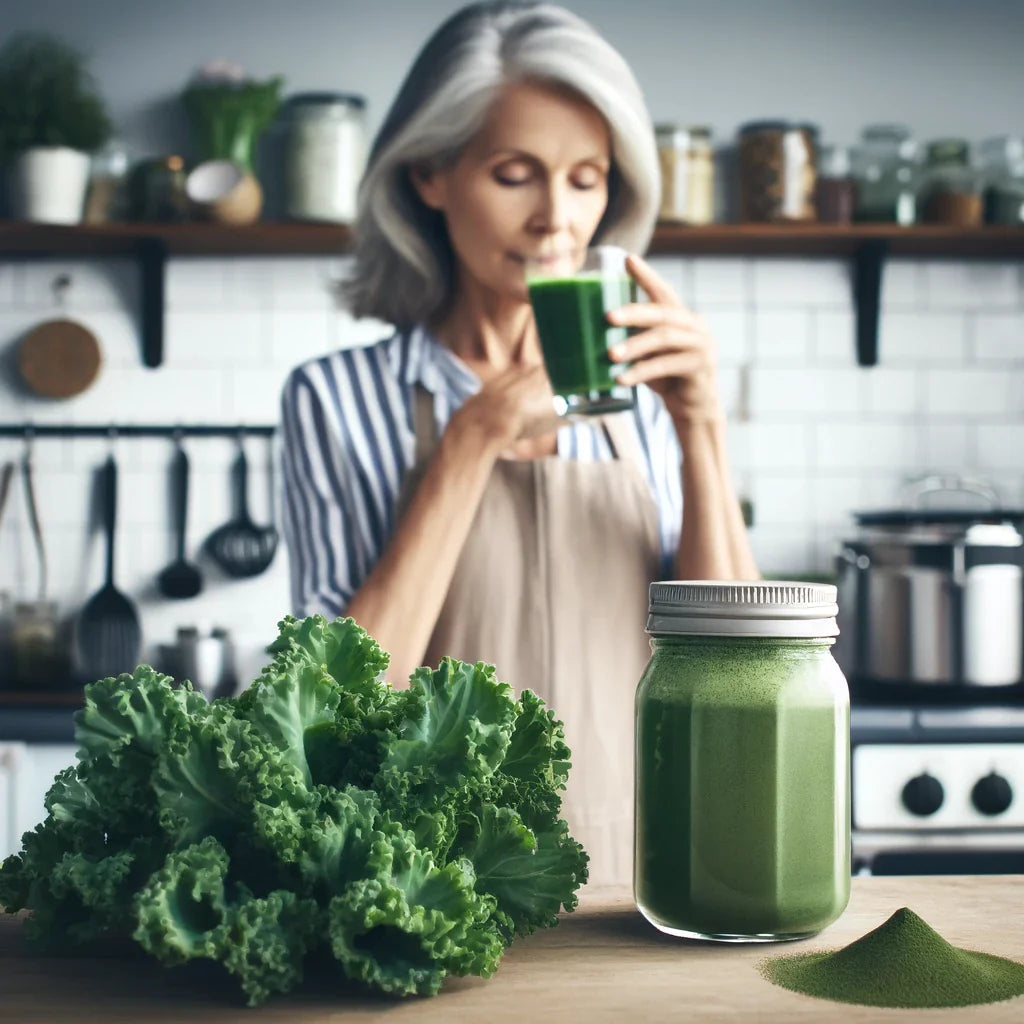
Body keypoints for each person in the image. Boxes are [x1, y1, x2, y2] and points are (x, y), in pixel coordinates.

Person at [280, 0, 759, 886]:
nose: (557, 220)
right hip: (424, 888)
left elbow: (732, 672)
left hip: (640, 875)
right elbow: (330, 714)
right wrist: (472, 441)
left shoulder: (644, 401)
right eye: (515, 174)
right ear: (430, 172)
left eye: (586, 178)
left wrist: (700, 423)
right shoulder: (334, 399)